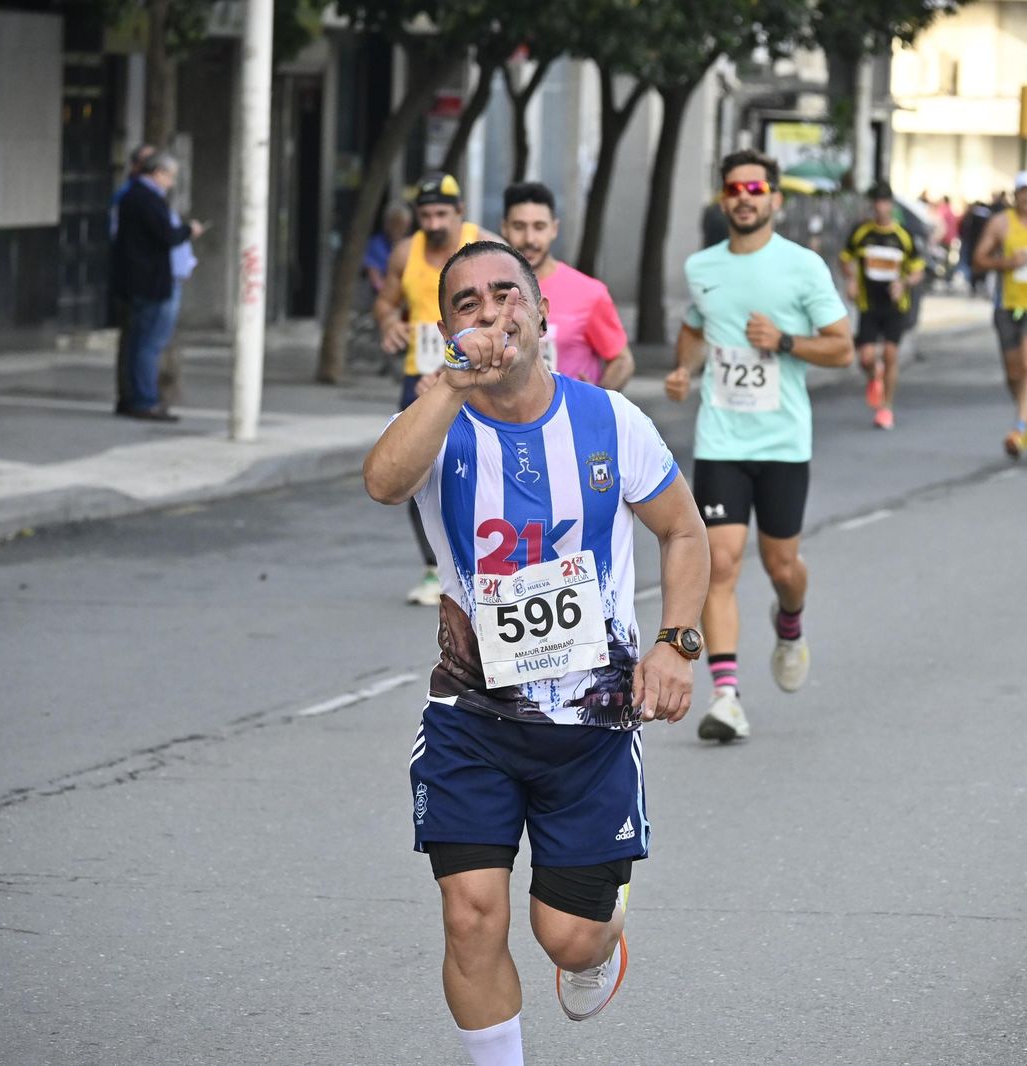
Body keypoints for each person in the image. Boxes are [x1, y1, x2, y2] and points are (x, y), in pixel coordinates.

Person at [363, 240, 708, 1066]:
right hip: (470, 717)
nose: (490, 313)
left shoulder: (609, 421)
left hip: (590, 726)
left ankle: (604, 931)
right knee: (471, 913)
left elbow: (685, 530)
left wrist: (676, 644)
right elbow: (382, 482)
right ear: (447, 326)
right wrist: (448, 384)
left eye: (506, 295)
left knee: (570, 939)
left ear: (541, 311)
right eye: (467, 303)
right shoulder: (439, 420)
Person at [664, 149, 854, 743]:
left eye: (755, 187)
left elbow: (843, 348)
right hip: (721, 438)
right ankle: (726, 697)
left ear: (774, 198)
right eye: (733, 188)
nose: (743, 197)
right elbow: (697, 324)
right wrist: (682, 370)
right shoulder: (702, 265)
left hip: (782, 443)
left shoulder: (803, 268)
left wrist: (786, 341)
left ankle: (790, 620)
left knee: (782, 567)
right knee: (719, 562)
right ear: (724, 200)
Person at [374, 173, 500, 606]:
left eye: (441, 213)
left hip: (475, 374)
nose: (433, 222)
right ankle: (433, 567)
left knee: (477, 463)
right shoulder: (406, 253)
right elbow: (387, 301)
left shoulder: (482, 245)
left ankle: (489, 558)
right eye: (425, 214)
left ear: (459, 212)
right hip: (423, 374)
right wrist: (389, 323)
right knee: (416, 468)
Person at [500, 182, 635, 390]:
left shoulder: (589, 293)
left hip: (570, 421)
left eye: (539, 227)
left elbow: (622, 360)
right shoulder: (491, 290)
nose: (529, 239)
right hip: (501, 418)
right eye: (519, 227)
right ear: (505, 228)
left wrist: (598, 399)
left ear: (554, 229)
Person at [972, 170, 1027, 458]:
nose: (1026, 197)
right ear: (1015, 194)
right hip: (1007, 304)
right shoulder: (1001, 223)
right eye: (1021, 191)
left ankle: (1018, 429)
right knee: (1013, 372)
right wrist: (1007, 262)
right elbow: (978, 260)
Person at [113, 151, 201, 421]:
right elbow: (165, 236)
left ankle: (134, 397)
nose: (171, 183)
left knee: (139, 342)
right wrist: (188, 231)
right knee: (148, 343)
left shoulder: (132, 196)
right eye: (170, 177)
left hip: (141, 280)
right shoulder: (146, 199)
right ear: (158, 173)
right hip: (152, 282)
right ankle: (144, 400)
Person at [841, 182, 925, 430]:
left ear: (891, 205)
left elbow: (918, 269)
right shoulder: (862, 233)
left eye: (884, 202)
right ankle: (873, 375)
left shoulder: (903, 236)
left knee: (890, 354)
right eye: (876, 202)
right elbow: (846, 258)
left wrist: (904, 282)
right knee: (866, 357)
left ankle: (886, 408)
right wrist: (852, 279)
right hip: (869, 303)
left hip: (895, 304)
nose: (880, 207)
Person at [109, 142, 152, 415]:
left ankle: (134, 394)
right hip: (133, 277)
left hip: (141, 276)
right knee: (134, 339)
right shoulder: (130, 196)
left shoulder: (145, 194)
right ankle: (132, 395)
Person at [364, 201, 413, 294]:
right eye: (395, 224)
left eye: (402, 225)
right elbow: (374, 276)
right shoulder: (375, 244)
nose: (398, 229)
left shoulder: (411, 245)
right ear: (386, 223)